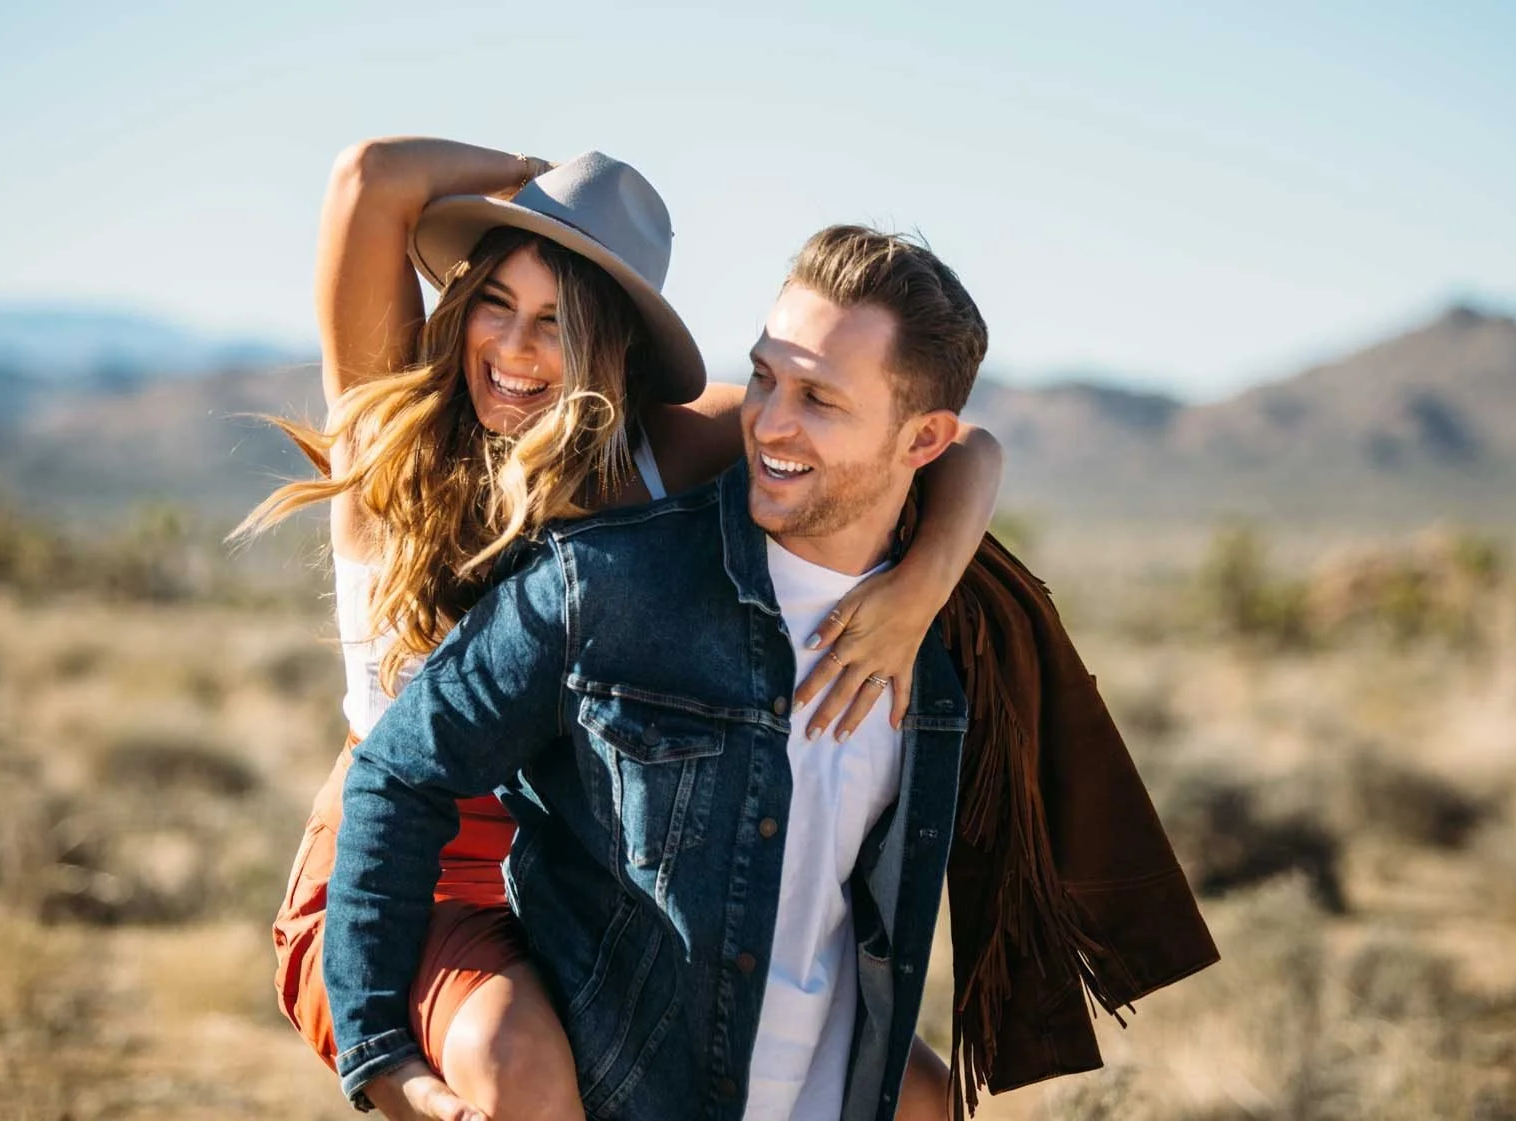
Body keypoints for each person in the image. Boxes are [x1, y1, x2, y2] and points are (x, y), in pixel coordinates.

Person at [240, 142, 1003, 1120]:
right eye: (493, 301)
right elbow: (367, 180)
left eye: (557, 320)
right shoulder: (393, 446)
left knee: (913, 1096)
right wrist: (533, 177)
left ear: (611, 343)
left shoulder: (663, 449)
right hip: (410, 872)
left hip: (590, 869)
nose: (515, 349)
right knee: (522, 1069)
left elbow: (955, 442)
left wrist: (921, 589)